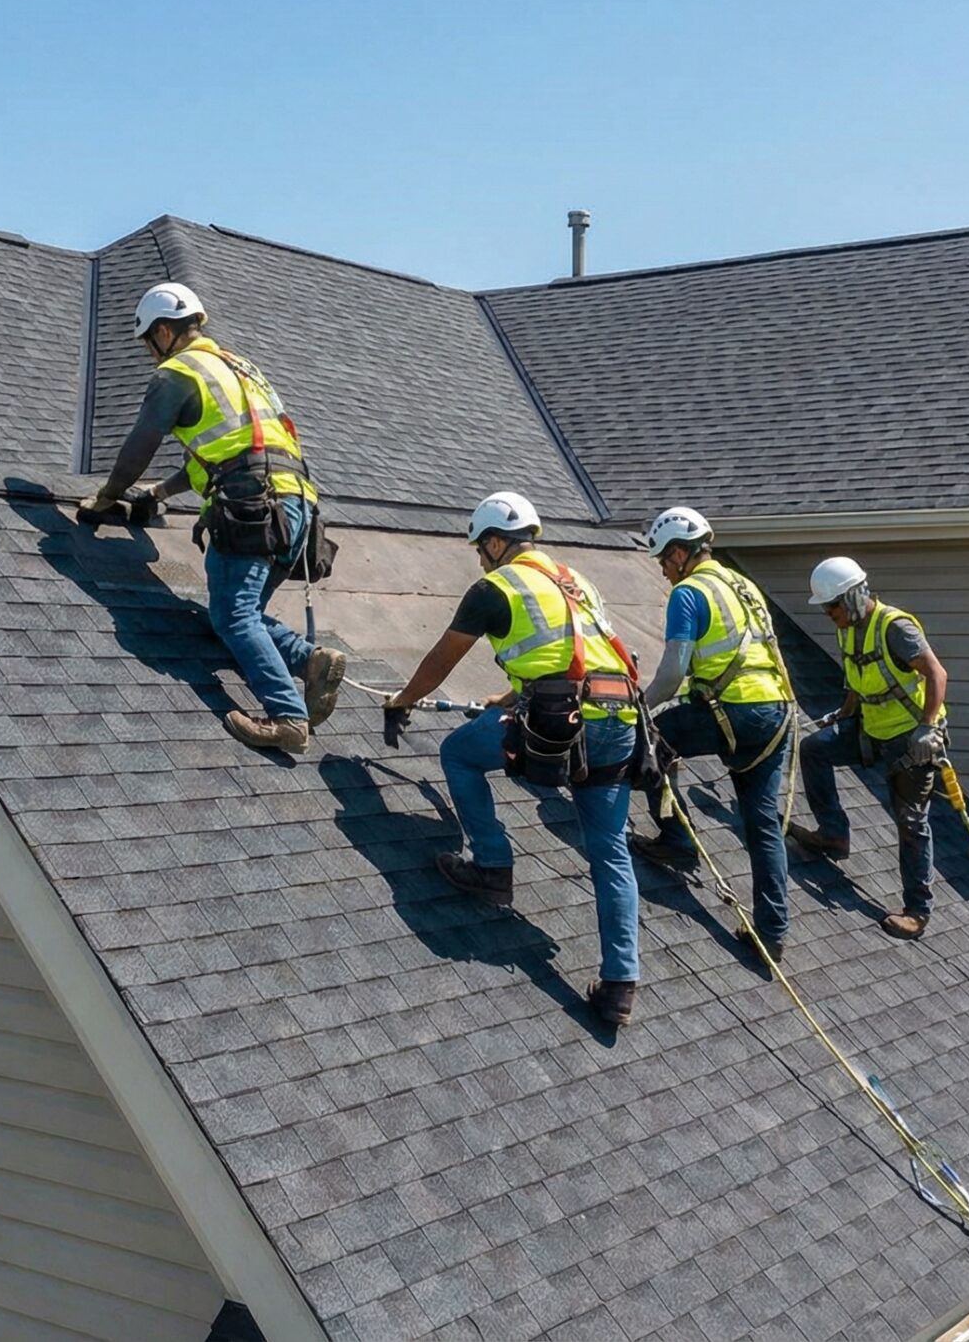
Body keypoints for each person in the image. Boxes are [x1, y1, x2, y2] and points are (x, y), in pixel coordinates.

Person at [384, 491, 649, 1027]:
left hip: (560, 722)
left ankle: (492, 867)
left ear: (495, 542)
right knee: (609, 851)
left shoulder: (496, 588)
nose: (480, 560)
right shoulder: (575, 579)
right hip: (620, 718)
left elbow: (441, 659)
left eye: (481, 549)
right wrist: (507, 697)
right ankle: (620, 985)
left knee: (459, 753)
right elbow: (574, 653)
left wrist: (402, 700)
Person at [80, 282, 344, 752]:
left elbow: (140, 445)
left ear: (163, 332)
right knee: (239, 614)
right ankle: (309, 661)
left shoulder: (178, 372)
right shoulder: (239, 368)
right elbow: (228, 454)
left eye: (148, 343)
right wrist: (158, 493)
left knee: (233, 617)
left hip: (250, 507)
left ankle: (288, 717)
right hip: (298, 507)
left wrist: (107, 497)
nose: (150, 354)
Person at [627, 507, 798, 964]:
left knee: (653, 740)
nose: (663, 571)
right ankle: (771, 933)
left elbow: (673, 672)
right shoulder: (742, 585)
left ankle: (677, 839)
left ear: (679, 553)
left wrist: (640, 707)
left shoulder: (689, 592)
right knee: (763, 825)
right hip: (777, 711)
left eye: (664, 560)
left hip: (736, 710)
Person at [787, 556, 951, 939]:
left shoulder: (895, 628)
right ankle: (833, 834)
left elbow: (937, 673)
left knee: (911, 821)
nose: (829, 615)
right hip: (872, 729)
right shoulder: (847, 630)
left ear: (854, 597)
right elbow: (857, 681)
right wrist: (842, 715)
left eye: (832, 606)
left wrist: (928, 728)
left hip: (911, 739)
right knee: (815, 749)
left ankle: (917, 911)